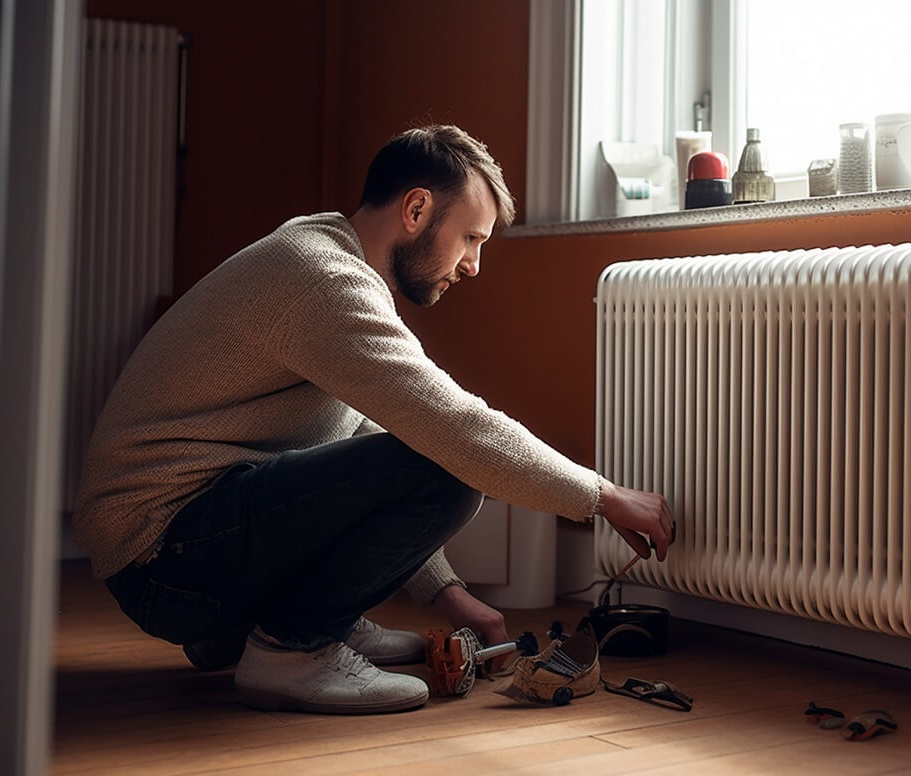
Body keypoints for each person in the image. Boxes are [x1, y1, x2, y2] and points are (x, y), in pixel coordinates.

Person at [73, 124, 674, 715]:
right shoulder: (323, 280)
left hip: (174, 547)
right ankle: (292, 647)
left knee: (417, 453)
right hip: (163, 554)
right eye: (470, 238)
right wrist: (603, 495)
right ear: (416, 209)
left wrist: (448, 593)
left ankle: (303, 623)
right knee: (450, 471)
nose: (473, 266)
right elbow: (457, 429)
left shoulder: (324, 261)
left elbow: (362, 436)